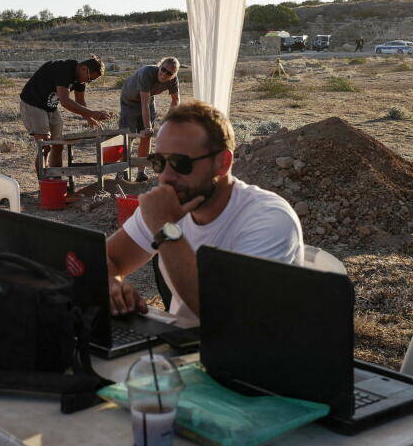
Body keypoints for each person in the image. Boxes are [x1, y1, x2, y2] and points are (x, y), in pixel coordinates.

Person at [104, 101, 303, 326]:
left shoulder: (269, 219)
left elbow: (228, 318)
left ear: (223, 162)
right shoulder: (172, 203)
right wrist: (111, 285)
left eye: (180, 163)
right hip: (184, 349)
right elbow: (105, 259)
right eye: (159, 162)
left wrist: (165, 229)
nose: (166, 176)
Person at [19, 55, 111, 168]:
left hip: (50, 106)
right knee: (45, 146)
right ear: (83, 68)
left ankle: (56, 178)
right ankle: (44, 182)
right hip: (33, 103)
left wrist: (89, 117)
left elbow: (80, 101)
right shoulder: (64, 70)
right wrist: (92, 113)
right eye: (89, 79)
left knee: (58, 145)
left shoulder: (81, 78)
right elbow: (65, 102)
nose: (88, 82)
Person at [118, 57, 180, 182]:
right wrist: (147, 127)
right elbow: (144, 104)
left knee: (147, 136)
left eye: (169, 73)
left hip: (148, 99)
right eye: (163, 70)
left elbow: (175, 101)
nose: (164, 74)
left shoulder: (173, 81)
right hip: (130, 100)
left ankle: (141, 172)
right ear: (160, 66)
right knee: (128, 136)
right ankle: (122, 171)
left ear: (174, 75)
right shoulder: (147, 73)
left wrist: (167, 124)